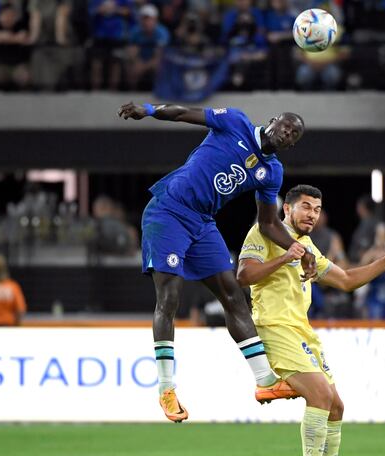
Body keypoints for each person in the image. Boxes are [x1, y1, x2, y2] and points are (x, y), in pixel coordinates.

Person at [117, 100, 313, 422]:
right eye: (286, 126)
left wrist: (300, 249)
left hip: (203, 222)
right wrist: (149, 110)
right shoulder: (234, 121)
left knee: (233, 293)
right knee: (169, 296)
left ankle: (265, 381)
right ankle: (167, 389)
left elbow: (268, 224)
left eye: (293, 135)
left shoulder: (272, 171)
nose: (287, 133)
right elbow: (182, 113)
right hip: (168, 210)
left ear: (291, 144)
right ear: (274, 120)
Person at [236, 184, 385, 456]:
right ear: (286, 209)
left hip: (301, 329)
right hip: (274, 326)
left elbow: (345, 280)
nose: (312, 214)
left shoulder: (307, 245)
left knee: (336, 406)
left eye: (316, 209)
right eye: (305, 207)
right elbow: (243, 275)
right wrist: (286, 257)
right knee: (319, 395)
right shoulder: (264, 230)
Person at [126, 4, 170, 90]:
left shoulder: (162, 32)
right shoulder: (135, 31)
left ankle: (158, 91)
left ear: (155, 20)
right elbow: (132, 51)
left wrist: (144, 66)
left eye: (149, 19)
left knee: (159, 66)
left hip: (154, 61)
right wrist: (137, 62)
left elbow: (160, 55)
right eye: (144, 19)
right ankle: (132, 91)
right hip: (140, 59)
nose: (146, 22)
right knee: (131, 65)